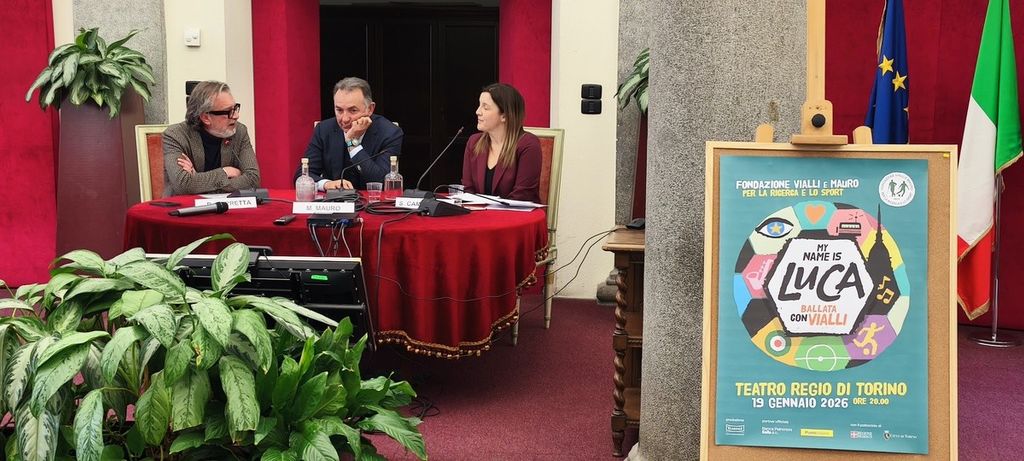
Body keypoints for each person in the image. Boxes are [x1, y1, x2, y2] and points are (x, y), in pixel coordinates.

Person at [297, 77, 403, 191]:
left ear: (370, 109)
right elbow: (302, 176)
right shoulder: (323, 130)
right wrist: (327, 184)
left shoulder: (390, 133)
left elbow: (382, 181)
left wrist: (353, 143)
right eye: (339, 110)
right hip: (335, 200)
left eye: (353, 110)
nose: (345, 119)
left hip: (372, 200)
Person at [162, 81, 261, 197]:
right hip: (185, 205)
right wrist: (226, 172)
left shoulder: (239, 131)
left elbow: (253, 180)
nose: (236, 116)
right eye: (229, 111)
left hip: (226, 205)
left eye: (235, 108)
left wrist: (197, 181)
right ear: (206, 117)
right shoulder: (175, 135)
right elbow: (183, 185)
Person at [461, 83, 542, 203]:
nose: (478, 111)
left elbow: (522, 196)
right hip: (478, 213)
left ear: (504, 116)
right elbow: (468, 190)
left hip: (515, 214)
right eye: (479, 105)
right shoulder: (474, 142)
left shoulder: (528, 145)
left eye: (485, 107)